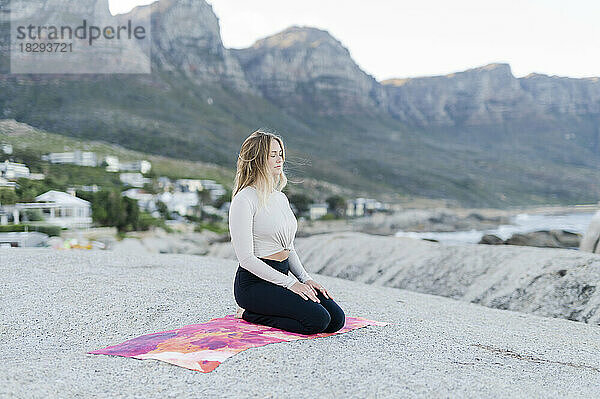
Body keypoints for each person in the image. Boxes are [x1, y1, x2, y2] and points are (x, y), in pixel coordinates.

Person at [228, 129, 346, 335]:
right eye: (272, 154)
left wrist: (305, 279)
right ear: (256, 159)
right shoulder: (244, 199)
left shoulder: (280, 198)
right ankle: (247, 313)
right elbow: (246, 259)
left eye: (280, 153)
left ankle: (280, 303)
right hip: (254, 285)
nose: (279, 159)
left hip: (282, 276)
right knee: (317, 321)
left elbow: (288, 247)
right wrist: (290, 284)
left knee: (336, 319)